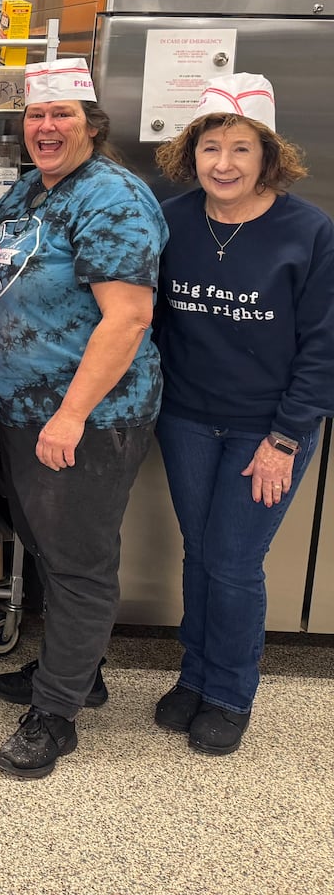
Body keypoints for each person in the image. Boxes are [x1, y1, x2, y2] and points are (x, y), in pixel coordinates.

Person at [0, 59, 167, 780]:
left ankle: (56, 716)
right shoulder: (32, 189)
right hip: (26, 408)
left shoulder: (112, 199)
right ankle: (76, 671)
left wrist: (72, 415)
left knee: (81, 561)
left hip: (87, 415)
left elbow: (128, 319)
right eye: (35, 116)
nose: (46, 127)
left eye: (62, 115)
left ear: (92, 124)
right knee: (50, 548)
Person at [150, 75, 334, 755]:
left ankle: (230, 692)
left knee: (232, 560)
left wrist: (286, 438)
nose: (222, 164)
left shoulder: (309, 231)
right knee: (201, 555)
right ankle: (195, 676)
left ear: (268, 157)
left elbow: (324, 345)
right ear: (191, 153)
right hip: (187, 418)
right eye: (209, 148)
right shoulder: (172, 220)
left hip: (270, 428)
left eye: (239, 149)